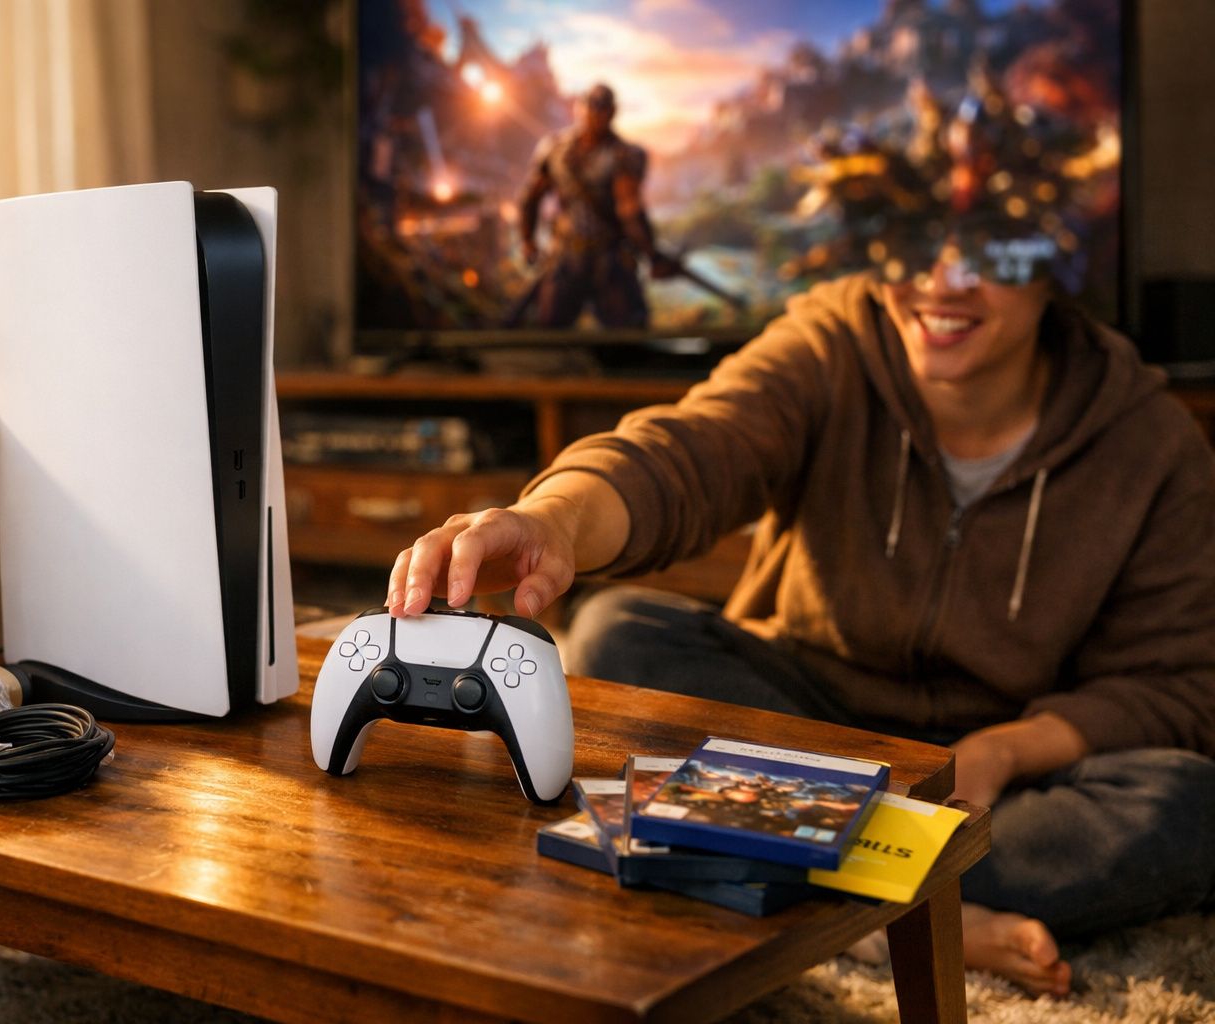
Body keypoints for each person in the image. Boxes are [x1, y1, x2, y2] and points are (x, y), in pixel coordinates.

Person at [385, 93, 1215, 998]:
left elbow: (1179, 686)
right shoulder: (832, 340)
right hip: (809, 727)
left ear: (1053, 260)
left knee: (1189, 805)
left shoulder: (1148, 440)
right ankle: (903, 908)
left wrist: (1009, 750)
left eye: (990, 250)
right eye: (912, 242)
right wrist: (554, 521)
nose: (942, 282)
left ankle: (773, 879)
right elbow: (689, 450)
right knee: (619, 635)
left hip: (996, 776)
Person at [509, 82, 678, 328]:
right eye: (593, 107)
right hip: (566, 254)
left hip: (609, 257)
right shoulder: (555, 150)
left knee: (628, 335)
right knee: (547, 333)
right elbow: (531, 198)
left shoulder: (624, 155)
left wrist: (651, 254)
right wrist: (527, 240)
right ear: (581, 108)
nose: (597, 114)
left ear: (612, 112)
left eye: (603, 108)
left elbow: (630, 211)